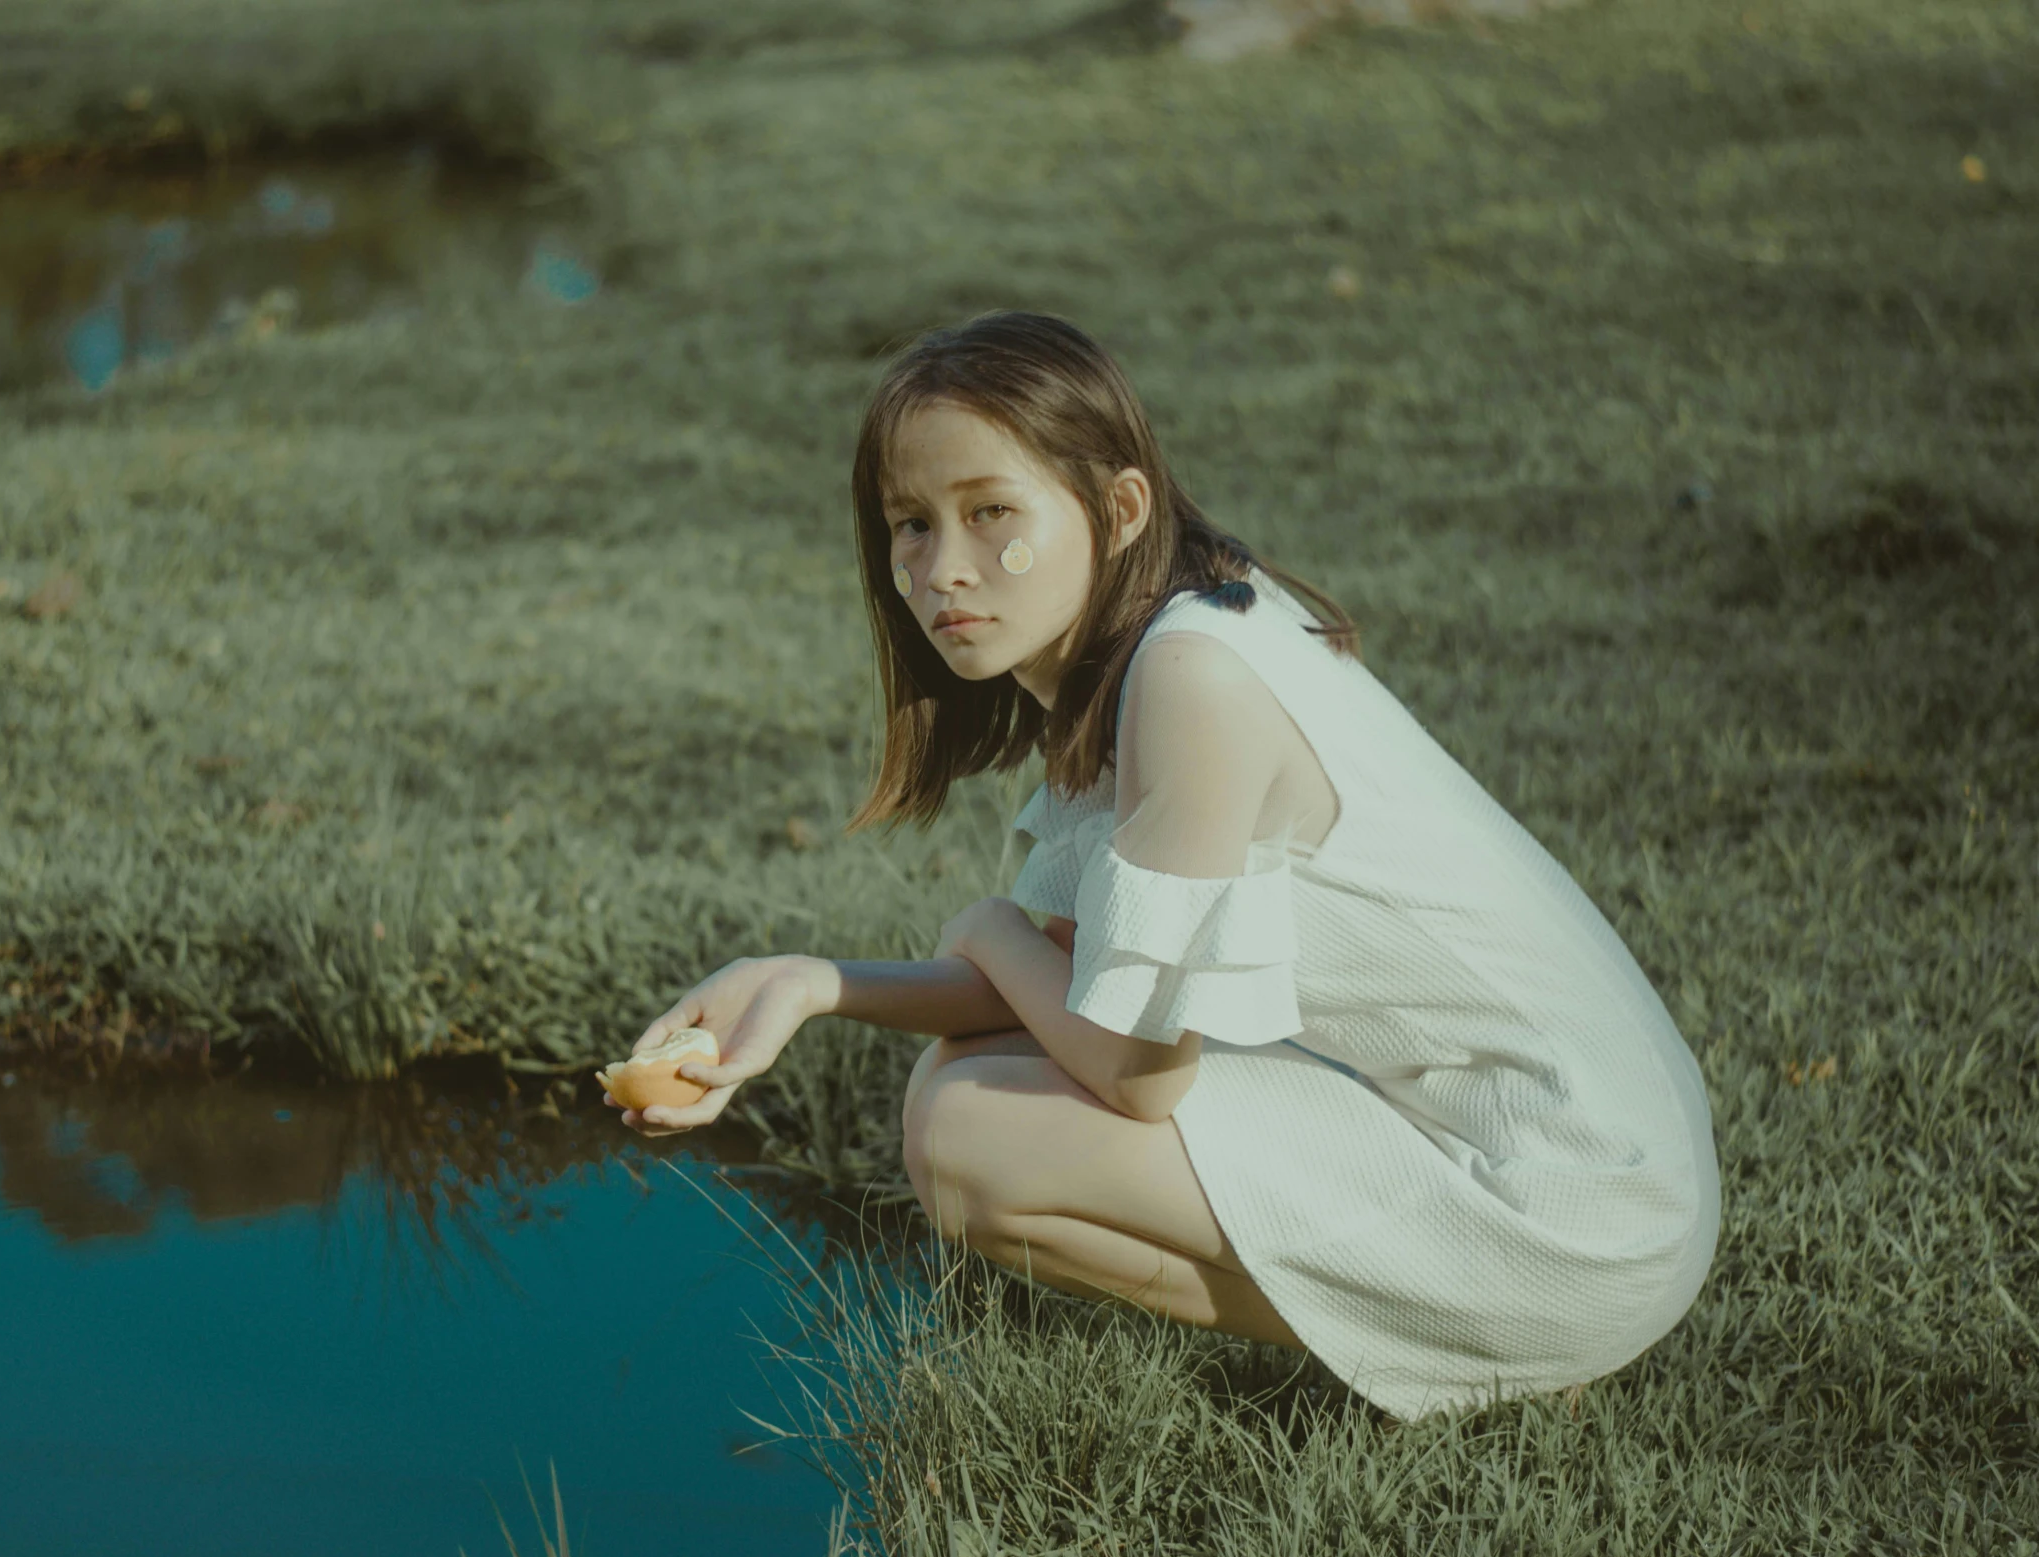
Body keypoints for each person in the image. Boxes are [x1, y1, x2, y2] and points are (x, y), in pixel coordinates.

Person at [602, 308, 1720, 1421]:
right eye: (910, 523)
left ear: (1119, 505)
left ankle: (1480, 1357)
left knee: (969, 1129)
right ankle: (1452, 1334)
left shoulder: (1188, 681)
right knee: (960, 1084)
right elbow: (1094, 985)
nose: (943, 569)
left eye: (992, 512)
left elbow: (1140, 1072)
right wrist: (808, 983)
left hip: (1578, 1213)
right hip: (1581, 1163)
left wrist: (988, 924)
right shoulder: (1162, 629)